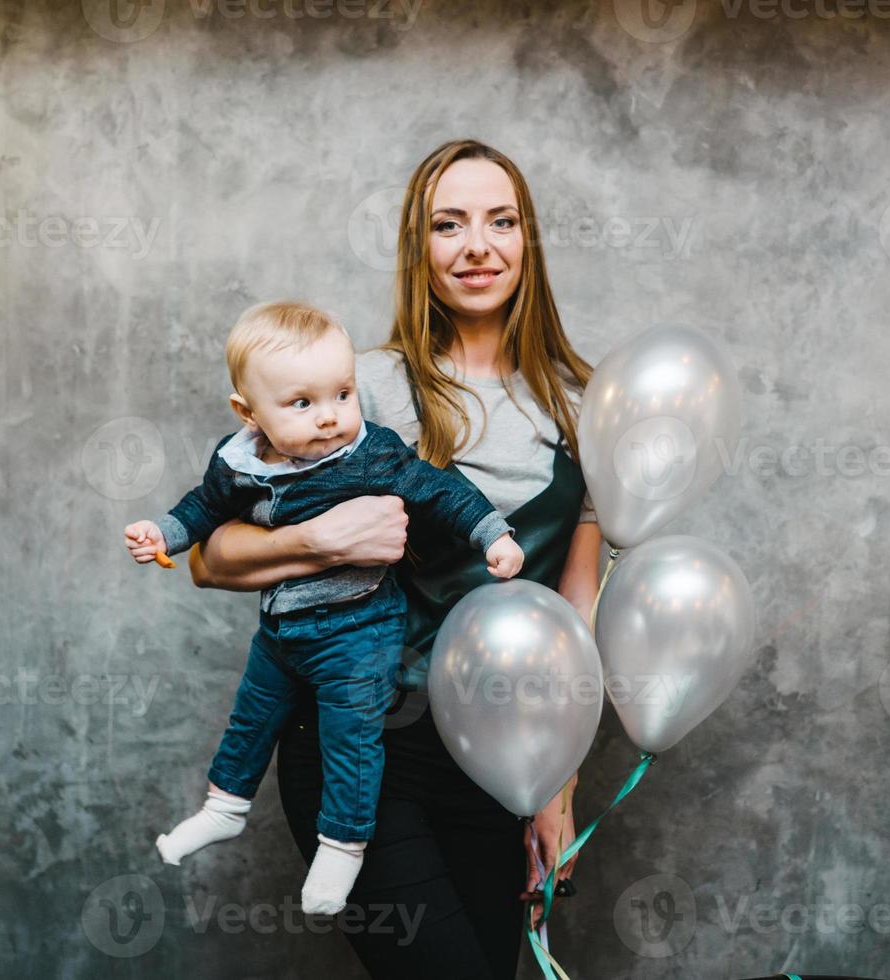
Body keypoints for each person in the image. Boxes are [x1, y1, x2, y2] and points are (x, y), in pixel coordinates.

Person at [187, 139, 602, 978]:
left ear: (529, 240)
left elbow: (578, 608)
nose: (477, 246)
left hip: (497, 762)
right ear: (421, 249)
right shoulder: (363, 389)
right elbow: (207, 555)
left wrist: (556, 785)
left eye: (501, 221)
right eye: (448, 225)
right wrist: (316, 540)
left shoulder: (583, 404)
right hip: (360, 747)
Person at [124, 300, 524, 914]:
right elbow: (204, 510)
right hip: (282, 629)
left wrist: (492, 534)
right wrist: (164, 533)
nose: (331, 418)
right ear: (248, 412)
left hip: (358, 630)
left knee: (352, 740)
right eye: (303, 404)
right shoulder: (239, 461)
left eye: (342, 395)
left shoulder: (371, 453)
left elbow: (441, 490)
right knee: (250, 718)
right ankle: (223, 808)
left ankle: (342, 846)